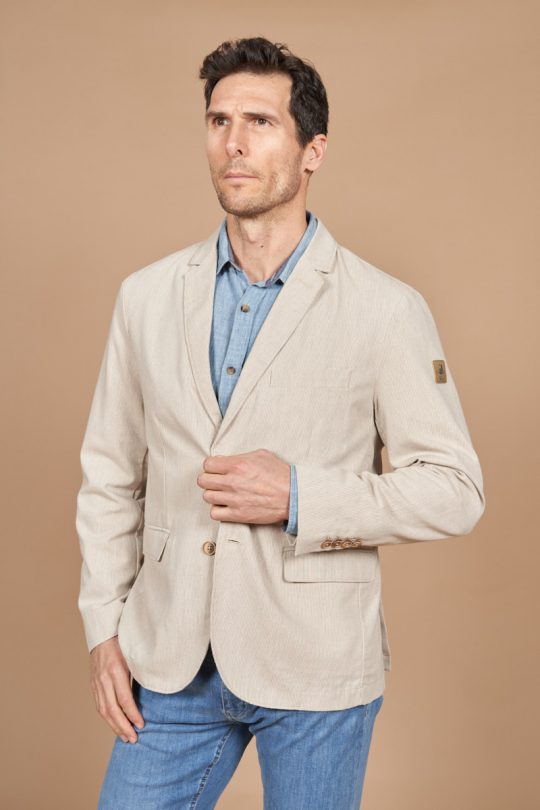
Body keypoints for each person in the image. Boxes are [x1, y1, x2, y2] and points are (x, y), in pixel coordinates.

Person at [76, 36, 485, 810]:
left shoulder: (384, 309)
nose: (233, 142)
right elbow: (109, 478)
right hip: (170, 658)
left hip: (316, 661)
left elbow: (455, 490)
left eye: (260, 122)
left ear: (312, 151)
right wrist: (104, 628)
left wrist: (300, 495)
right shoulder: (146, 297)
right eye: (219, 120)